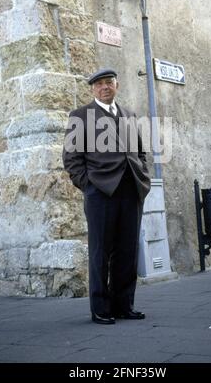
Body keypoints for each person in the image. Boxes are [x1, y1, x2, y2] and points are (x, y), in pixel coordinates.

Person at [62, 68, 151, 324]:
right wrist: (89, 186)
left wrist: (142, 175)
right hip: (100, 193)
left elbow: (140, 152)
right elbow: (71, 159)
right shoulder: (80, 116)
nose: (105, 87)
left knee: (127, 250)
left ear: (117, 85)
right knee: (101, 251)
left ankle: (124, 305)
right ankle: (101, 308)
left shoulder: (129, 115)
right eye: (99, 84)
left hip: (131, 190)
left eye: (109, 83)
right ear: (93, 89)